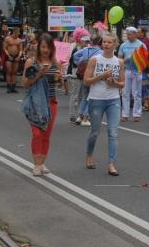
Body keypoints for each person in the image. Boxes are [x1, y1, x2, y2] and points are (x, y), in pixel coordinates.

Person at [84, 33, 124, 176]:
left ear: (115, 45)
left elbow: (122, 84)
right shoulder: (94, 60)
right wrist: (101, 76)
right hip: (96, 99)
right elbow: (86, 81)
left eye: (109, 42)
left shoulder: (119, 62)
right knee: (95, 132)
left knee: (113, 133)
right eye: (104, 42)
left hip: (113, 99)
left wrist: (114, 82)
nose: (106, 44)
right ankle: (89, 154)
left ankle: (111, 164)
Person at [23, 33, 61, 176]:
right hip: (35, 102)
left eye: (49, 47)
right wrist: (39, 74)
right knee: (37, 133)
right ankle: (36, 164)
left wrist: (59, 79)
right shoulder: (31, 62)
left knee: (46, 134)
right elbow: (25, 84)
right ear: (39, 47)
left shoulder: (56, 62)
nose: (46, 50)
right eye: (43, 47)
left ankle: (42, 162)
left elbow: (58, 84)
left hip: (51, 101)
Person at [70, 35, 100, 126]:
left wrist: (79, 62)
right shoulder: (100, 52)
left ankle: (80, 116)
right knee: (91, 96)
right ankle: (86, 117)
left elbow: (75, 55)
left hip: (83, 74)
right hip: (93, 75)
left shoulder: (85, 49)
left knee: (84, 96)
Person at [118, 26, 145, 121]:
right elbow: (119, 59)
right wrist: (125, 59)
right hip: (127, 70)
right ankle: (125, 114)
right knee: (125, 93)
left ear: (135, 34)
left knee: (137, 93)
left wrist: (137, 59)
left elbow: (145, 59)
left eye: (129, 34)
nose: (128, 36)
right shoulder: (123, 45)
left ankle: (137, 114)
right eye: (127, 34)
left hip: (137, 71)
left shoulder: (141, 45)